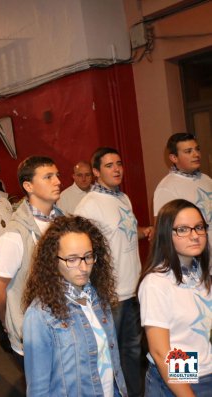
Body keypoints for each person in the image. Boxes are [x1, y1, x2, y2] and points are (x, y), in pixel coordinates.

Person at [75, 147, 153, 397]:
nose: (117, 169)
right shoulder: (88, 206)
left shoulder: (123, 198)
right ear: (96, 172)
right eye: (109, 165)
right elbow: (81, 251)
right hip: (111, 294)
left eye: (119, 163)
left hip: (133, 289)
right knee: (110, 354)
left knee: (132, 351)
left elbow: (124, 233)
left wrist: (147, 231)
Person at [22, 216, 127, 396]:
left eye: (88, 256)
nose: (83, 267)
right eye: (71, 259)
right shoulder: (40, 314)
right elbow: (38, 389)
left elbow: (110, 364)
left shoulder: (98, 298)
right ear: (53, 260)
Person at [0, 156, 63, 366]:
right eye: (48, 177)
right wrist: (9, 321)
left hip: (66, 331)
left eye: (57, 175)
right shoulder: (14, 236)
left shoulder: (64, 222)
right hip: (35, 338)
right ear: (28, 186)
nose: (57, 181)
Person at [138, 199, 211, 396]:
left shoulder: (201, 273)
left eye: (199, 227)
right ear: (166, 234)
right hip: (180, 381)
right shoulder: (157, 282)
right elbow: (161, 352)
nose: (195, 235)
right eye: (183, 229)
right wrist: (188, 392)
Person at [153, 133, 212, 241]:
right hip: (195, 254)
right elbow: (162, 232)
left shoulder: (206, 179)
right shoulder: (166, 188)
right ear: (174, 158)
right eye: (188, 151)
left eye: (197, 149)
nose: (196, 154)